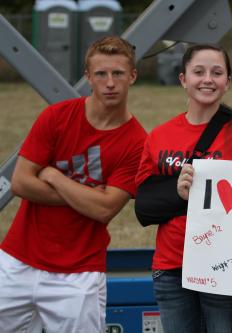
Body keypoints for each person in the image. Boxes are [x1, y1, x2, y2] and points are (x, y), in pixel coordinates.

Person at [0, 36, 147, 332]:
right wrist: (87, 196)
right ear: (88, 77)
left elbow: (105, 209)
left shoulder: (137, 142)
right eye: (101, 74)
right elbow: (20, 183)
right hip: (17, 259)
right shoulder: (56, 117)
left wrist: (54, 176)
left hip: (80, 272)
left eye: (118, 73)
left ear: (132, 76)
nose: (109, 83)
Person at [134, 44, 232, 333]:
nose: (207, 79)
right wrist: (178, 191)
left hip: (228, 269)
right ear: (183, 79)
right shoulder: (160, 135)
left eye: (217, 72)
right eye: (198, 72)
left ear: (228, 83)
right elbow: (144, 206)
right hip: (172, 268)